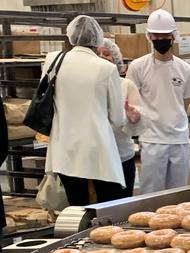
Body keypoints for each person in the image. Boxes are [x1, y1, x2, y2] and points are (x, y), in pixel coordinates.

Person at [44, 15, 131, 205]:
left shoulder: (52, 60)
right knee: (107, 209)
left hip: (63, 147)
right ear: (98, 38)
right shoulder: (106, 68)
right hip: (97, 150)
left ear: (71, 35)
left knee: (77, 206)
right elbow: (117, 118)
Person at [126, 9, 190, 195]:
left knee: (179, 194)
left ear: (173, 36)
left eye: (165, 35)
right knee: (151, 194)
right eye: (156, 35)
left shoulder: (184, 69)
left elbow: (184, 104)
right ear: (149, 36)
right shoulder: (138, 67)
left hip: (179, 139)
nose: (161, 39)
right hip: (152, 139)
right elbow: (132, 103)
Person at [98, 38, 144, 194]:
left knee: (122, 204)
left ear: (116, 59)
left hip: (122, 154)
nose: (103, 57)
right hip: (96, 158)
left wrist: (135, 117)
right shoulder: (87, 87)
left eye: (107, 54)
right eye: (98, 54)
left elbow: (139, 123)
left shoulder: (126, 85)